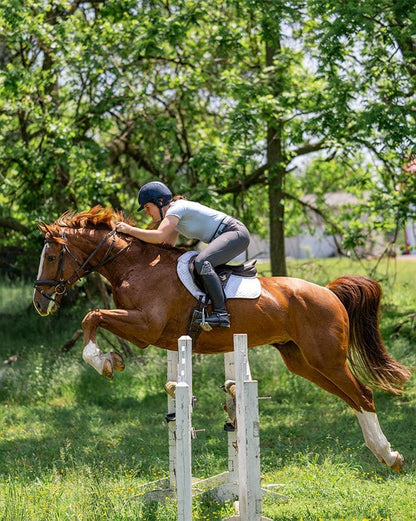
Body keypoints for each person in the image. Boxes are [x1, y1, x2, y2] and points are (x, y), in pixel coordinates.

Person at [116, 181, 250, 328]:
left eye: (148, 207)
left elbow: (159, 236)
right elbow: (166, 246)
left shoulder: (176, 209)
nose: (147, 213)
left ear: (160, 202)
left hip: (235, 233)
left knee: (202, 262)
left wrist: (129, 230)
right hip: (228, 234)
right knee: (200, 263)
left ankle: (221, 313)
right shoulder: (174, 218)